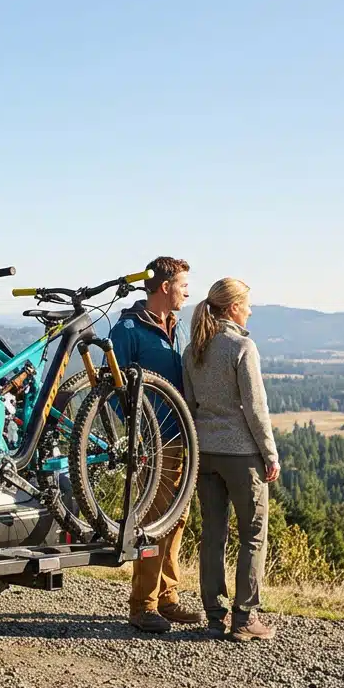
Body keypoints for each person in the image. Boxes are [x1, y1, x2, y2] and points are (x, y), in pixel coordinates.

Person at [108, 256, 206, 633]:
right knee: (153, 519)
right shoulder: (128, 329)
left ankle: (167, 597)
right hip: (151, 440)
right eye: (183, 285)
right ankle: (142, 604)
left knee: (178, 518)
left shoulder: (179, 327)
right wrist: (138, 427)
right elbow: (112, 389)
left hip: (183, 438)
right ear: (165, 287)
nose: (187, 292)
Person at [182, 277, 279, 642]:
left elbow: (190, 408)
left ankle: (213, 614)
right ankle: (244, 617)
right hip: (242, 455)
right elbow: (256, 408)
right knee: (253, 534)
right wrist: (269, 453)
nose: (250, 310)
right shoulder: (242, 347)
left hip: (205, 453)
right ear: (234, 307)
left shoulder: (192, 351)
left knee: (213, 534)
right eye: (247, 304)